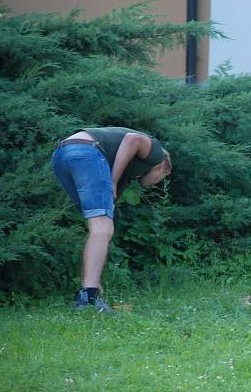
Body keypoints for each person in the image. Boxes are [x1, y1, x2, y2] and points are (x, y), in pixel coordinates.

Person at [51, 127, 172, 312]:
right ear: (162, 167)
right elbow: (133, 139)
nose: (156, 183)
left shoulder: (129, 170)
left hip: (62, 154)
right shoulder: (157, 152)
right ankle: (89, 298)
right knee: (102, 228)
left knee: (98, 228)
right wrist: (113, 180)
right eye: (161, 178)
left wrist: (115, 181)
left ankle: (88, 288)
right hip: (87, 151)